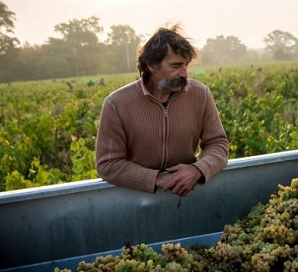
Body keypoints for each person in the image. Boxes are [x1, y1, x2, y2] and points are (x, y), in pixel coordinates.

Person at [96, 24, 229, 196]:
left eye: (186, 65)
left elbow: (218, 143)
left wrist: (197, 170)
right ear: (152, 65)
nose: (184, 74)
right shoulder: (117, 104)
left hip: (188, 196)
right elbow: (108, 164)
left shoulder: (200, 94)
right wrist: (157, 179)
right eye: (176, 66)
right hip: (135, 199)